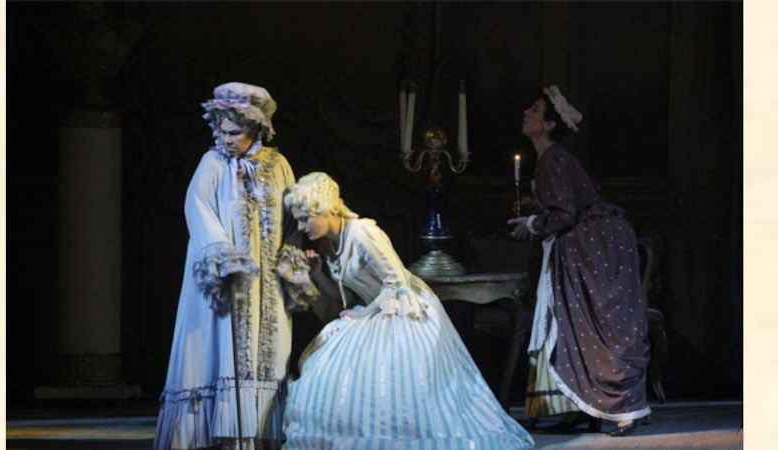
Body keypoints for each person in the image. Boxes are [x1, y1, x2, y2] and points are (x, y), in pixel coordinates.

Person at [281, 172, 535, 450]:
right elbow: (345, 296)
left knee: (397, 381)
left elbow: (398, 284)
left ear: (326, 210)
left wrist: (363, 315)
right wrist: (318, 273)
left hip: (404, 309)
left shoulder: (364, 233)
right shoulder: (328, 243)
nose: (301, 227)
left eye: (304, 218)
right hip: (372, 310)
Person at [154, 82, 317, 450]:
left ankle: (260, 431)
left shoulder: (278, 166)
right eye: (223, 131)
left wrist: (291, 253)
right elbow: (198, 209)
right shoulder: (212, 164)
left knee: (271, 352)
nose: (226, 139)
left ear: (255, 129)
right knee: (221, 347)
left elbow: (293, 217)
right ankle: (221, 431)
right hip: (227, 280)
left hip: (267, 282)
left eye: (235, 133)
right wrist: (225, 259)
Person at [507, 86, 651, 437]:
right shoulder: (552, 159)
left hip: (592, 244)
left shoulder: (552, 159)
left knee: (598, 323)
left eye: (535, 110)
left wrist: (533, 223)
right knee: (572, 323)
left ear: (549, 125)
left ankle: (624, 411)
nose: (526, 113)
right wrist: (536, 214)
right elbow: (566, 206)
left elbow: (564, 214)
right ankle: (574, 408)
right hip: (592, 241)